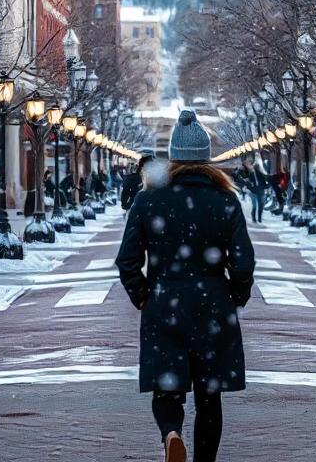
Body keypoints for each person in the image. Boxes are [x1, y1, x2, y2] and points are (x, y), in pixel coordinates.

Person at [116, 109, 255, 462]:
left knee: (168, 390)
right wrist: (235, 295)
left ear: (173, 156)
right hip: (213, 305)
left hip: (164, 303)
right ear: (206, 158)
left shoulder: (148, 200)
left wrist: (144, 296)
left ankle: (171, 434)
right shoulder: (225, 200)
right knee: (210, 397)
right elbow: (243, 261)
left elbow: (127, 260)